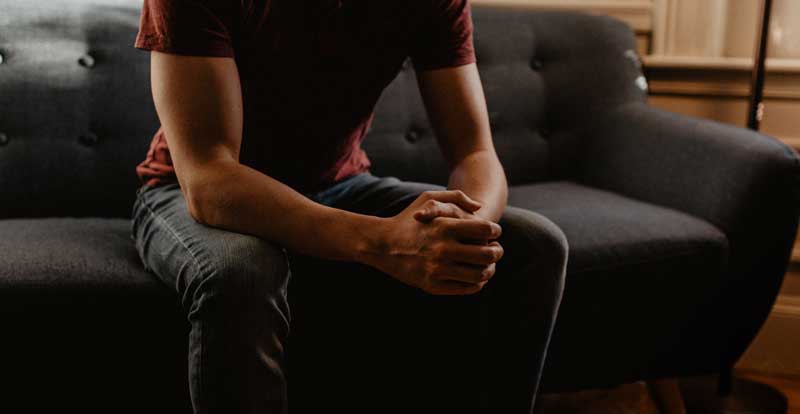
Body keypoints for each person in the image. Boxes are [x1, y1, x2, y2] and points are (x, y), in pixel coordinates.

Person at [130, 0, 567, 413]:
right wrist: (383, 242)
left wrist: (464, 234)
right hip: (186, 190)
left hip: (339, 185)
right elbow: (208, 178)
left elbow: (475, 154)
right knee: (242, 272)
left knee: (534, 245)